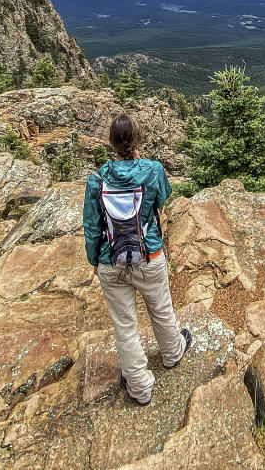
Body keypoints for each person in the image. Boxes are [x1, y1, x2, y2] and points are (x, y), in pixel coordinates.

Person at [83, 113, 191, 405]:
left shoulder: (97, 179)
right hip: (149, 255)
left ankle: (140, 386)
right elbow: (162, 199)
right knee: (161, 309)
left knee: (125, 326)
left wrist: (95, 259)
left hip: (111, 260)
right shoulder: (153, 170)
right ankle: (172, 353)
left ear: (111, 143)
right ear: (138, 140)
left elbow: (92, 225)